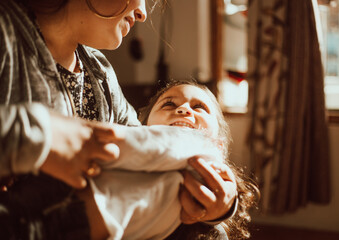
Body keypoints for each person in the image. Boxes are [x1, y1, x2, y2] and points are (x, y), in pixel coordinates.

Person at [0, 0, 238, 239]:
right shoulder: (6, 31)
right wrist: (39, 135)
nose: (143, 13)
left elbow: (151, 154)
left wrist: (220, 202)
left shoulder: (99, 71)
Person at [75, 79, 259, 240]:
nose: (183, 109)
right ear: (142, 127)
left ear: (219, 144)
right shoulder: (137, 148)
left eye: (199, 107)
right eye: (169, 104)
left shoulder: (208, 157)